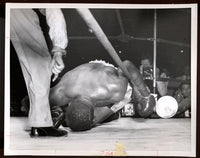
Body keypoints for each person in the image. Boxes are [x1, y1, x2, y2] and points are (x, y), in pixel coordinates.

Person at [22, 60, 156, 131]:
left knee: (94, 122)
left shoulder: (115, 91)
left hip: (105, 77)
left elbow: (126, 66)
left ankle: (114, 113)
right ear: (69, 105)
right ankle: (112, 115)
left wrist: (144, 94)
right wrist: (48, 114)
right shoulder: (60, 93)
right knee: (76, 124)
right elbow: (27, 102)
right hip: (81, 77)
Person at [10, 8, 68, 137]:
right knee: (40, 62)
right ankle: (40, 124)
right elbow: (54, 12)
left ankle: (40, 123)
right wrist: (58, 49)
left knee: (32, 62)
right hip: (17, 10)